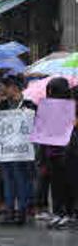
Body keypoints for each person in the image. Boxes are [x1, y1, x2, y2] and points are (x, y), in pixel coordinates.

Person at [0, 77, 35, 225]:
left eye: (6, 88)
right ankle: (9, 212)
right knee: (8, 180)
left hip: (21, 151)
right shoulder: (3, 105)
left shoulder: (29, 105)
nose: (4, 91)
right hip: (6, 150)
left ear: (14, 88)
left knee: (21, 180)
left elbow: (35, 123)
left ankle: (22, 211)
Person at [44, 77, 73, 229]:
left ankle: (67, 213)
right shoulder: (48, 107)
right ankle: (57, 212)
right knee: (55, 185)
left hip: (66, 153)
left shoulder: (71, 106)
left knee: (66, 185)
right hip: (52, 153)